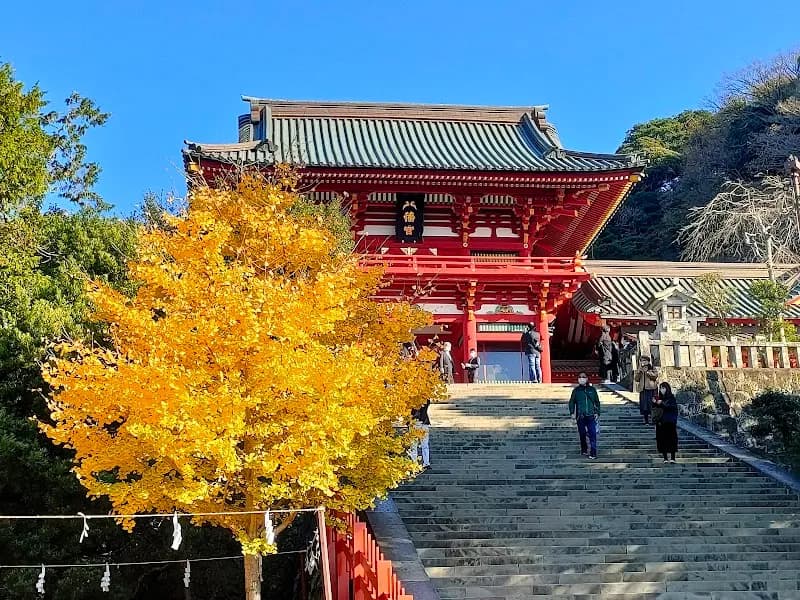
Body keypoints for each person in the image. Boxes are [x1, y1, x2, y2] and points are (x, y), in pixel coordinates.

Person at [568, 372, 601, 459]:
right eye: (580, 377)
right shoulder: (576, 391)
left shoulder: (592, 390)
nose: (581, 378)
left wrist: (597, 412)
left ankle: (593, 452)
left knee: (592, 434)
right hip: (580, 416)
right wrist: (572, 413)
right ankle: (584, 448)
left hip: (590, 415)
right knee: (582, 434)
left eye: (583, 377)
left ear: (587, 378)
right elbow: (571, 402)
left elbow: (597, 402)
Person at [653, 382, 679, 463]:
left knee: (672, 439)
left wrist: (662, 403)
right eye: (660, 388)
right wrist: (655, 403)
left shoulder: (671, 398)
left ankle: (672, 457)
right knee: (662, 440)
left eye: (663, 388)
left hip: (670, 422)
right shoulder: (658, 398)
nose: (662, 390)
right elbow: (655, 410)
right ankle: (665, 458)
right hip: (661, 422)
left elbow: (671, 407)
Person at [633, 355, 659, 424]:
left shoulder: (652, 367)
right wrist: (639, 372)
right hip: (643, 389)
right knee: (644, 406)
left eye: (644, 360)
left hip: (651, 389)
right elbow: (636, 379)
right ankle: (646, 420)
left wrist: (648, 372)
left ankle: (654, 419)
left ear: (648, 361)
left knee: (652, 404)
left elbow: (655, 376)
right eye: (641, 360)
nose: (643, 362)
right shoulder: (640, 369)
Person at [409, 399, 431, 470]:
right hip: (415, 422)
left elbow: (426, 404)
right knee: (414, 444)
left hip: (422, 422)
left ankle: (425, 463)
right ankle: (415, 463)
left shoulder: (425, 398)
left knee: (423, 444)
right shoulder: (410, 398)